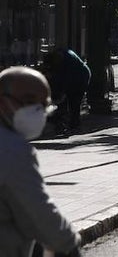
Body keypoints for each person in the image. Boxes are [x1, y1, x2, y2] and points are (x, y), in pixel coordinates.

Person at [0, 66, 82, 257]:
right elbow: (40, 214)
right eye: (28, 101)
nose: (37, 112)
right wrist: (69, 243)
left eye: (43, 106)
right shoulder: (13, 149)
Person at [44, 47, 91, 133]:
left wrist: (62, 92)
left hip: (81, 77)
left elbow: (66, 81)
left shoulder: (67, 62)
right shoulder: (59, 59)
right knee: (69, 100)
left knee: (74, 101)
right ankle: (70, 122)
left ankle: (74, 124)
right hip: (76, 75)